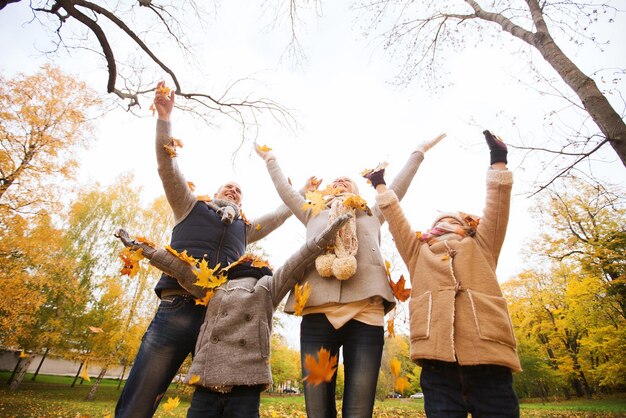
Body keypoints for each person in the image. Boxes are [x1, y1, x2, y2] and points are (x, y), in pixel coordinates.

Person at [115, 82, 314, 418]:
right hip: (177, 307)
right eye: (228, 187)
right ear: (215, 191)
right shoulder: (189, 206)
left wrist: (304, 192)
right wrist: (165, 120)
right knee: (143, 393)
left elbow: (280, 216)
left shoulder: (244, 228)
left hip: (219, 317)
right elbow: (168, 167)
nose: (234, 191)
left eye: (239, 190)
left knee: (214, 401)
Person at [255, 134, 444, 418]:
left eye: (347, 180)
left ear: (359, 189)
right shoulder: (312, 212)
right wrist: (270, 159)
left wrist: (418, 152)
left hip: (365, 315)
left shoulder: (372, 212)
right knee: (318, 409)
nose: (341, 181)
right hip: (318, 316)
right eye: (337, 180)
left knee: (358, 409)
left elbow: (397, 189)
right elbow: (286, 191)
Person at [115, 213, 351, 417]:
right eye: (245, 257)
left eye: (252, 259)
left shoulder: (268, 286)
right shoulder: (214, 285)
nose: (248, 257)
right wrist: (142, 249)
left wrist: (326, 235)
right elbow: (179, 268)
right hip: (207, 381)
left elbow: (298, 259)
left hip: (246, 384)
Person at [367, 130, 522, 417]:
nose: (447, 222)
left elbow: (498, 204)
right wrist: (378, 184)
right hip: (438, 368)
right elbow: (395, 218)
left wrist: (498, 160)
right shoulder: (418, 251)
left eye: (455, 219)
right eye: (441, 221)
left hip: (489, 363)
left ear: (467, 225)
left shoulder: (482, 244)